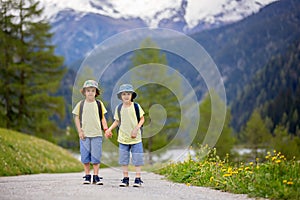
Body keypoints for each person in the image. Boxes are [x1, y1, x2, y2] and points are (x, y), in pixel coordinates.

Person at [105, 84, 145, 187]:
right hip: (123, 138)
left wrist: (136, 129)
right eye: (124, 94)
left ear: (132, 95)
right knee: (124, 159)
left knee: (137, 158)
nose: (126, 96)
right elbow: (117, 121)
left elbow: (142, 119)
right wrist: (109, 129)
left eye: (128, 94)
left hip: (136, 138)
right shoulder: (119, 108)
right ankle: (125, 178)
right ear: (120, 96)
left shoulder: (136, 106)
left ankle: (138, 178)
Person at [72, 80, 108, 185]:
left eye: (93, 90)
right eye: (88, 90)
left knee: (96, 157)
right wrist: (80, 131)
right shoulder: (81, 104)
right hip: (84, 135)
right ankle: (87, 175)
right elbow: (77, 118)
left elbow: (102, 118)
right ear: (84, 92)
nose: (90, 92)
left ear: (96, 92)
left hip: (97, 134)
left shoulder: (99, 104)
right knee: (85, 156)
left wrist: (106, 129)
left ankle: (96, 176)